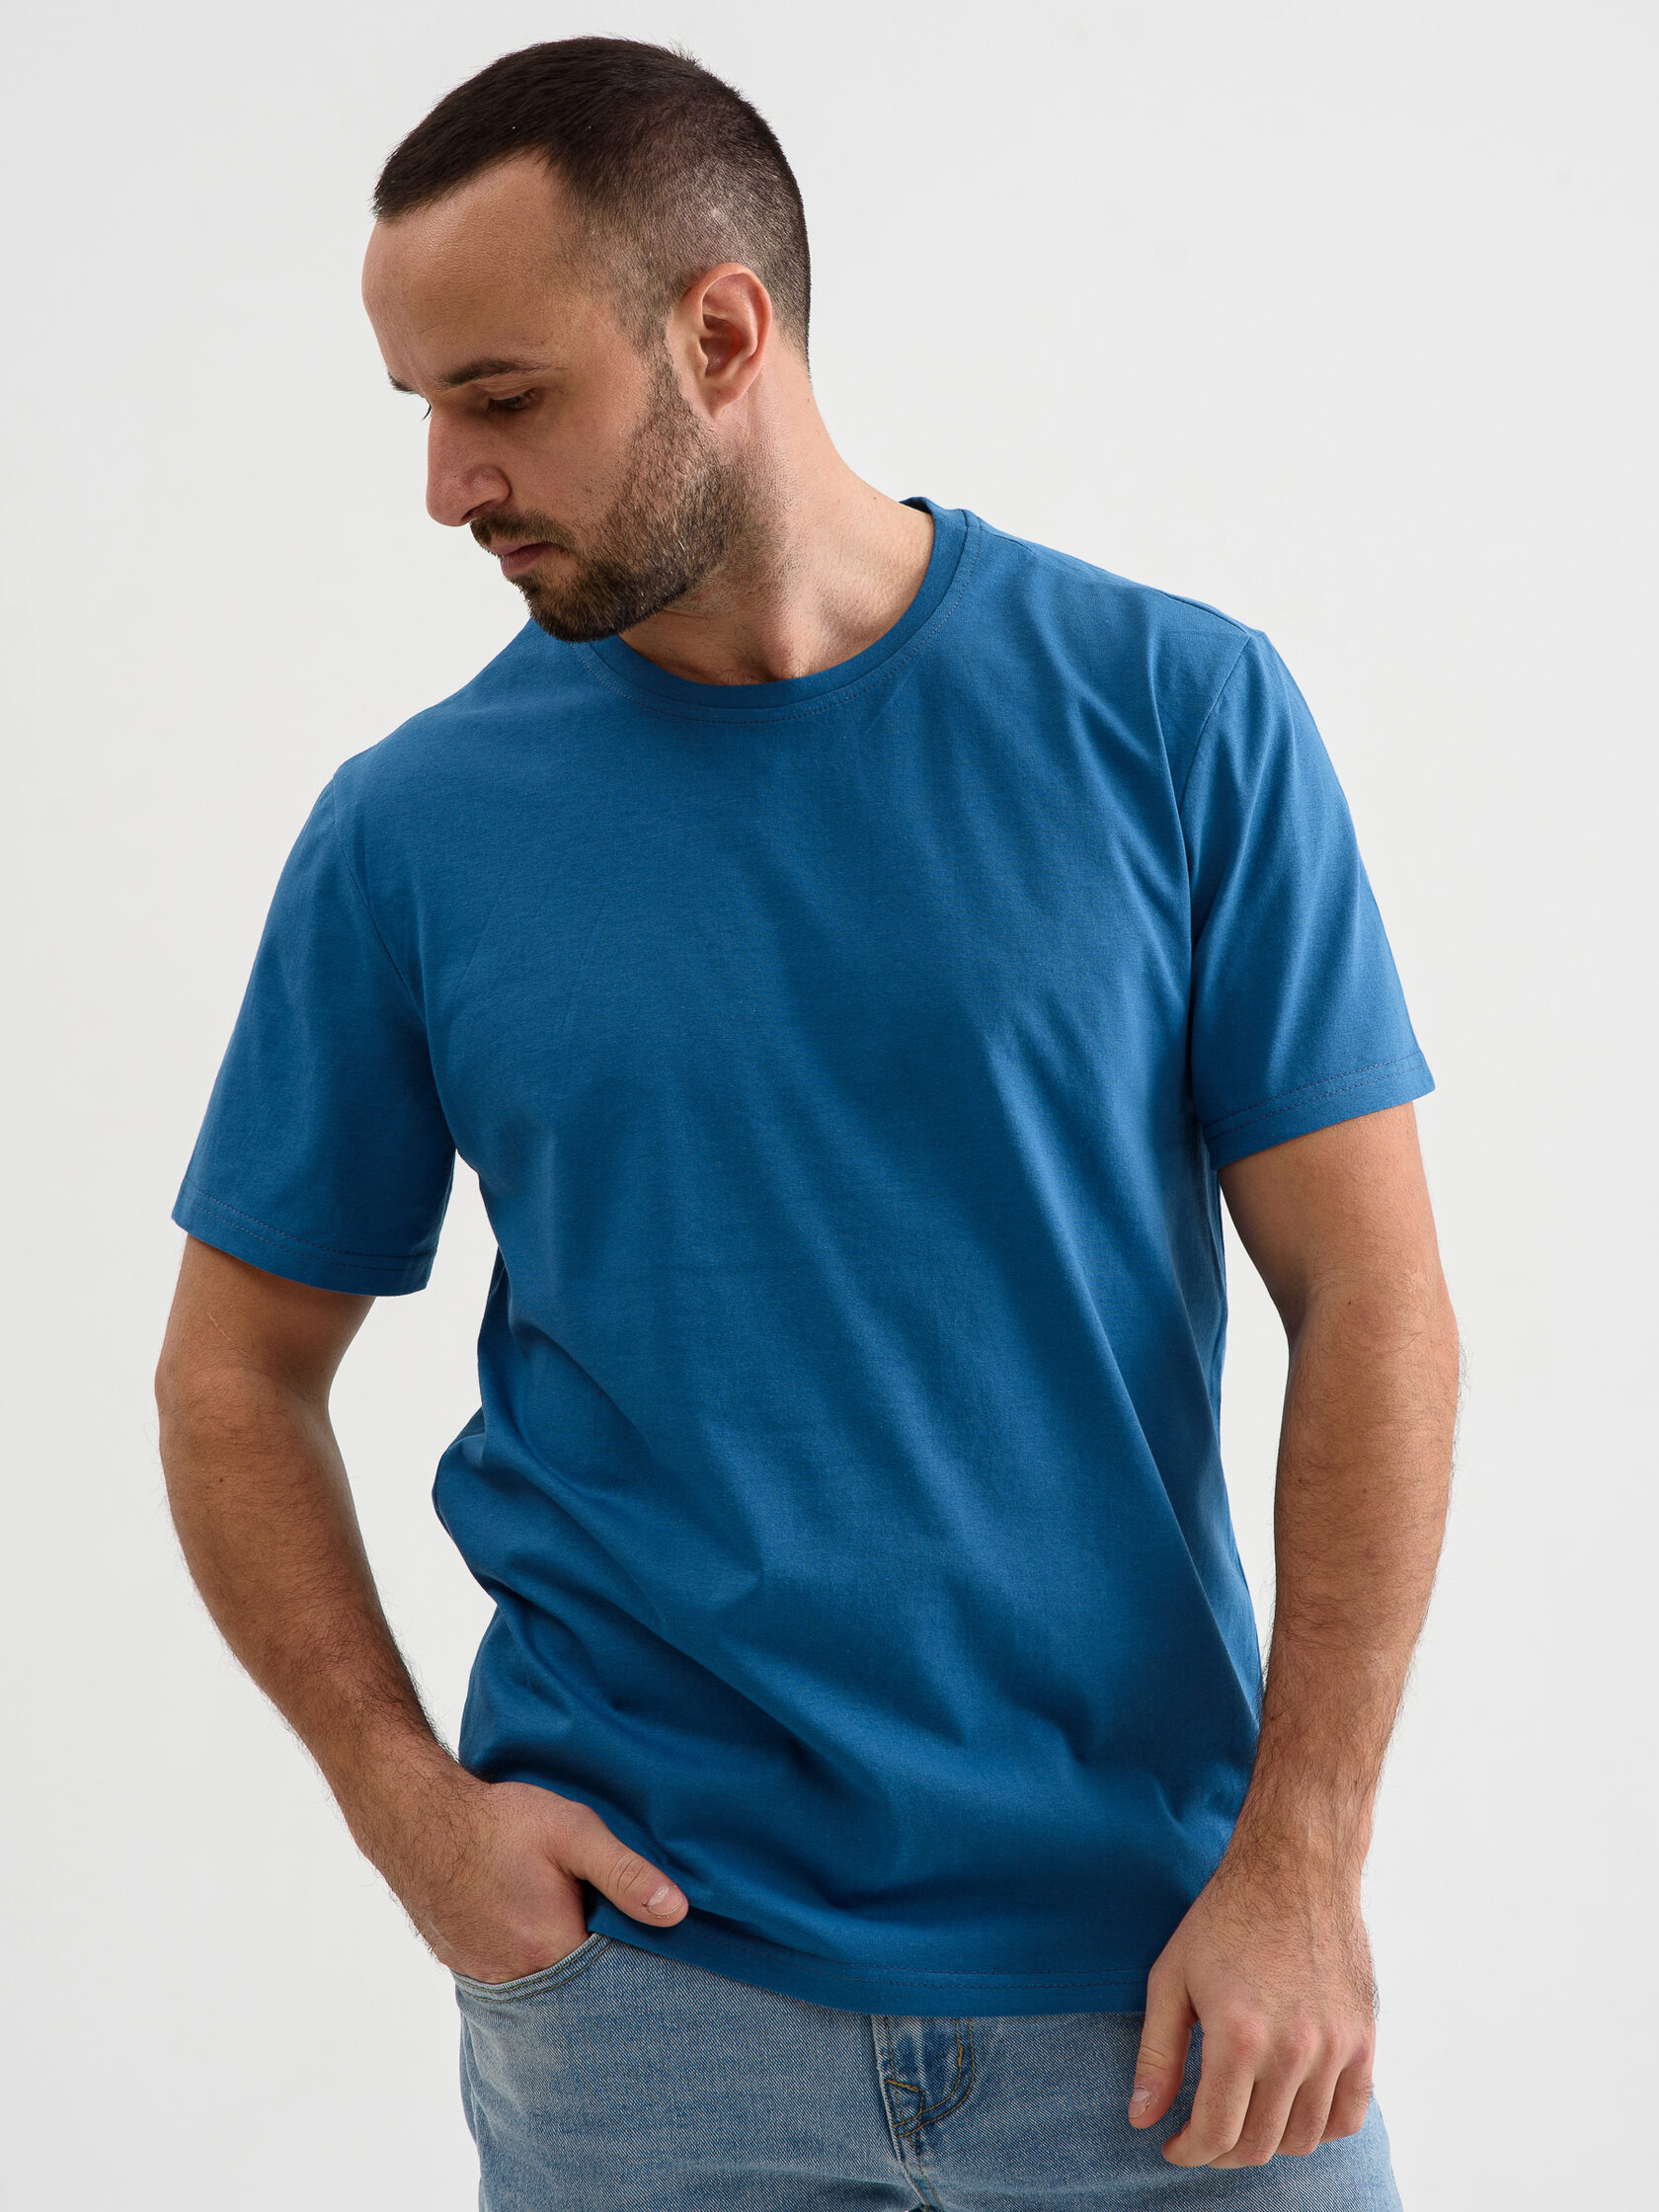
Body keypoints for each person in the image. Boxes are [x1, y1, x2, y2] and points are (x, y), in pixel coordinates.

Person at [154, 35, 1459, 2212]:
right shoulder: (410, 833)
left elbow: (1375, 1295)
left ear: (721, 333)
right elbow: (231, 1373)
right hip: (648, 2014)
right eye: (421, 412)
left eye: (500, 397)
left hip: (1167, 1992)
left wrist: (1307, 1861)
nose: (449, 485)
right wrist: (410, 1815)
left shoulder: (1174, 712)